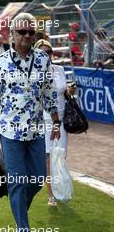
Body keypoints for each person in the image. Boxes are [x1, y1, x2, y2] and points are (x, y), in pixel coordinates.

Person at [0, 12, 60, 232]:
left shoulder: (43, 60)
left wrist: (56, 121)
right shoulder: (0, 63)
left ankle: (19, 209)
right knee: (17, 180)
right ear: (12, 34)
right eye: (22, 32)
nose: (27, 36)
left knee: (37, 180)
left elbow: (49, 92)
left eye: (31, 32)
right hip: (9, 132)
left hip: (37, 130)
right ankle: (22, 230)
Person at [34, 39, 75, 206]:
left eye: (49, 52)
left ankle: (61, 189)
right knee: (49, 156)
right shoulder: (36, 73)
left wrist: (68, 91)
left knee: (62, 155)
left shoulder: (59, 69)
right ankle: (51, 195)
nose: (47, 56)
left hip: (62, 119)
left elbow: (63, 92)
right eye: (43, 53)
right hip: (46, 119)